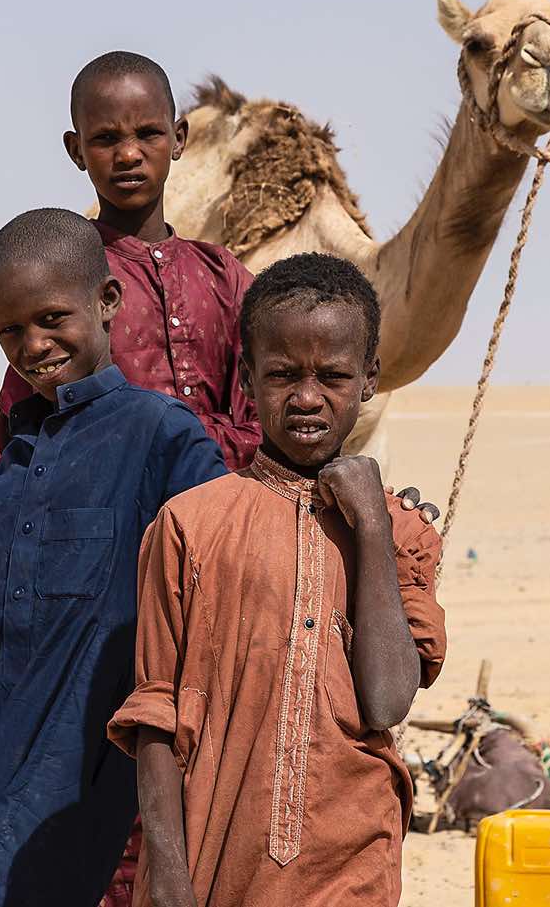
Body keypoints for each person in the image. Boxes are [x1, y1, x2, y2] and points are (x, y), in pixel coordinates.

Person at [0, 209, 227, 906]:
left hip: (63, 803)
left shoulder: (163, 440)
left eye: (52, 317)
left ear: (106, 302)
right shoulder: (12, 464)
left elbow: (225, 586)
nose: (33, 344)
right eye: (10, 329)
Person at [108, 253, 447, 907]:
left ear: (369, 378)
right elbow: (155, 719)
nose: (307, 397)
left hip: (348, 858)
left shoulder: (402, 534)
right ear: (247, 376)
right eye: (283, 374)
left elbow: (387, 701)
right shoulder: (189, 525)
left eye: (333, 375)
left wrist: (371, 527)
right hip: (213, 864)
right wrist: (169, 881)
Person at [0, 50, 261, 473]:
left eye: (149, 133)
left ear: (179, 139)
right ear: (76, 150)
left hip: (222, 519)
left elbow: (266, 415)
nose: (129, 154)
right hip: (104, 523)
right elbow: (21, 439)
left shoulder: (222, 275)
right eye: (106, 139)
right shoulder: (63, 275)